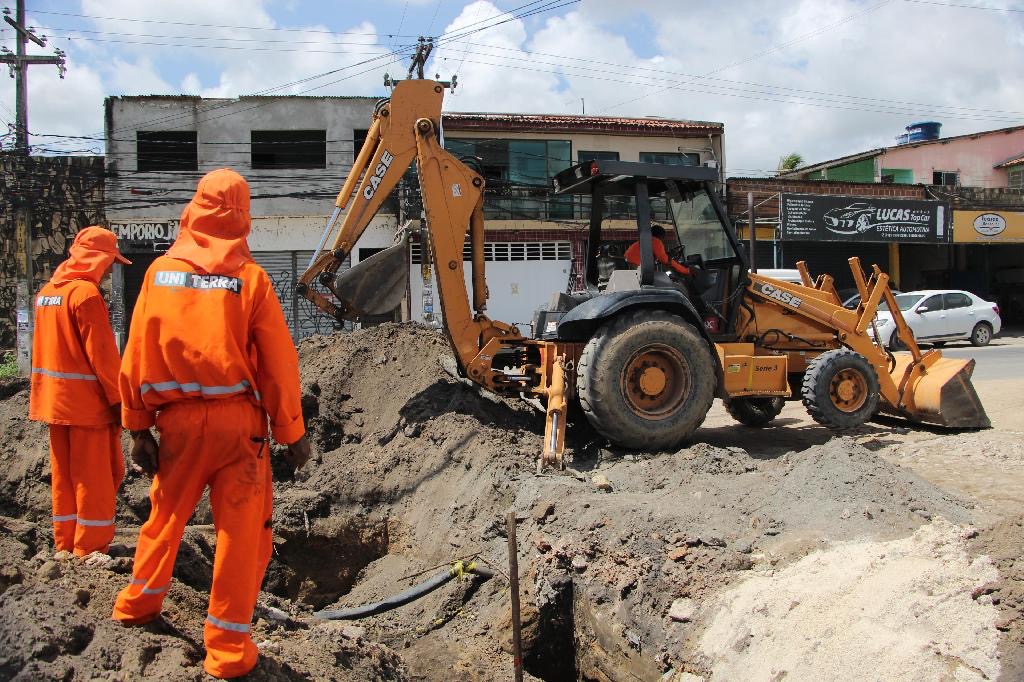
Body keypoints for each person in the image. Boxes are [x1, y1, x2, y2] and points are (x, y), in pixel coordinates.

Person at [111, 168, 310, 679]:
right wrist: (292, 432)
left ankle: (138, 605)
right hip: (238, 429)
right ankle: (226, 651)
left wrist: (137, 428)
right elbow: (278, 365)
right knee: (241, 536)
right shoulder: (250, 280)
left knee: (164, 518)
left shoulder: (158, 274)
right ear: (243, 217)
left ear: (194, 208)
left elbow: (135, 353)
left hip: (176, 425)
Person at [29, 226, 130, 561]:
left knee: (65, 477)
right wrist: (120, 402)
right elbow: (103, 356)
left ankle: (66, 543)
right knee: (96, 477)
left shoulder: (47, 294)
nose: (108, 270)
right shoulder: (85, 295)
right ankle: (90, 547)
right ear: (98, 258)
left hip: (53, 404)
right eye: (109, 262)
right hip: (86, 407)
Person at [624, 223, 691, 276]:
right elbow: (665, 260)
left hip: (633, 266)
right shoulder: (656, 241)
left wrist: (667, 256)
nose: (662, 241)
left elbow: (662, 257)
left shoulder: (646, 241)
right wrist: (686, 271)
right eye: (663, 238)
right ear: (661, 236)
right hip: (637, 269)